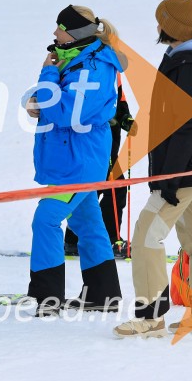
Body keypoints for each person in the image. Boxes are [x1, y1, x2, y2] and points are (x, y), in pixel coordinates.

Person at [114, 0, 192, 338]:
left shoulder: (191, 65)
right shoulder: (190, 59)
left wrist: (171, 176)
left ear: (173, 26)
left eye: (161, 21)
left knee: (146, 234)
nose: (157, 27)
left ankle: (151, 317)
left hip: (185, 168)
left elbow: (188, 125)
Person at [25, 5, 123, 316]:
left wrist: (47, 75)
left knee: (46, 219)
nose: (54, 33)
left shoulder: (95, 67)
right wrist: (35, 101)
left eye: (60, 27)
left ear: (75, 33)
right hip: (71, 158)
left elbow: (67, 112)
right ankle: (103, 294)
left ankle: (47, 297)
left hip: (79, 163)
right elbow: (53, 100)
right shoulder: (74, 58)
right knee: (87, 222)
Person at [64, 74, 137, 257]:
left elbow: (120, 102)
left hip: (108, 145)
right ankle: (109, 240)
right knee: (110, 189)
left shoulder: (114, 72)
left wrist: (125, 119)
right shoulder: (94, 67)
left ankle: (74, 240)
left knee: (95, 191)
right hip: (94, 143)